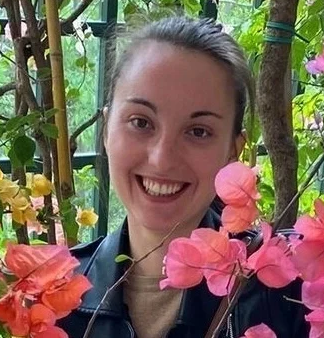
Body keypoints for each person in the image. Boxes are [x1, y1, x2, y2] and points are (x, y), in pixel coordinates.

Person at [58, 17, 309, 338]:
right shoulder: (56, 297)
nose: (162, 159)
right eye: (140, 122)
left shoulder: (290, 297)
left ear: (232, 151)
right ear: (106, 130)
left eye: (198, 131)